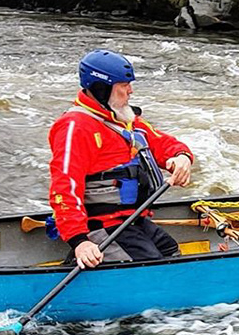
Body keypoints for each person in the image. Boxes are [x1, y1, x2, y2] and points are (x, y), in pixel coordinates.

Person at [48, 49, 196, 269]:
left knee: (170, 251)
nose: (130, 91)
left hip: (131, 220)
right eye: (123, 86)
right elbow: (64, 187)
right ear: (101, 89)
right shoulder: (75, 127)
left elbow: (162, 143)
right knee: (152, 267)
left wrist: (181, 157)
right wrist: (79, 241)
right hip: (101, 227)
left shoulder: (124, 119)